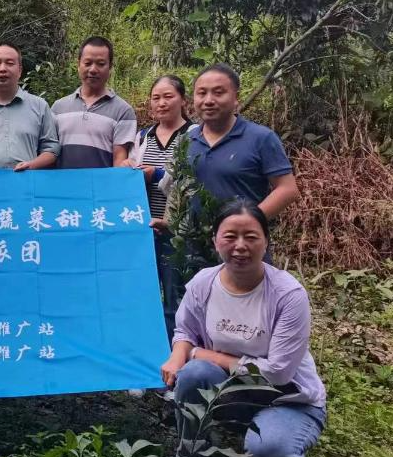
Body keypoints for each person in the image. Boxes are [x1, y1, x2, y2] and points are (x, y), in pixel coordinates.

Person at [160, 199, 326, 457]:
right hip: (234, 390)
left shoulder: (287, 295)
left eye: (251, 237)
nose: (240, 246)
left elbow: (277, 373)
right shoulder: (203, 283)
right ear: (215, 241)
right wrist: (177, 357)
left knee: (272, 450)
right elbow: (185, 331)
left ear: (266, 241)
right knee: (193, 373)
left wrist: (207, 354)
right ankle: (190, 454)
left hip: (287, 398)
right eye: (230, 236)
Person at [188, 63, 300, 219]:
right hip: (193, 235)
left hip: (243, 234)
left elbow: (287, 189)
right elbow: (178, 188)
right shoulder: (187, 140)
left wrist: (247, 223)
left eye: (218, 93)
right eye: (202, 93)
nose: (208, 100)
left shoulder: (261, 138)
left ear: (236, 98)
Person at [130, 75, 192, 337]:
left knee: (175, 293)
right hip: (145, 228)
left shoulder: (194, 135)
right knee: (143, 293)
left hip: (178, 230)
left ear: (183, 100)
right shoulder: (143, 136)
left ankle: (175, 346)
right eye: (156, 98)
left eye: (168, 97)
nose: (161, 103)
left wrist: (155, 174)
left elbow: (193, 178)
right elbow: (131, 172)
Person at [50, 36, 137, 169]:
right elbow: (49, 153)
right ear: (78, 65)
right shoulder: (58, 108)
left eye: (101, 64)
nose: (93, 69)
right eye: (87, 63)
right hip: (62, 182)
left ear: (110, 67)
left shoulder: (123, 111)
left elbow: (119, 160)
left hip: (102, 183)